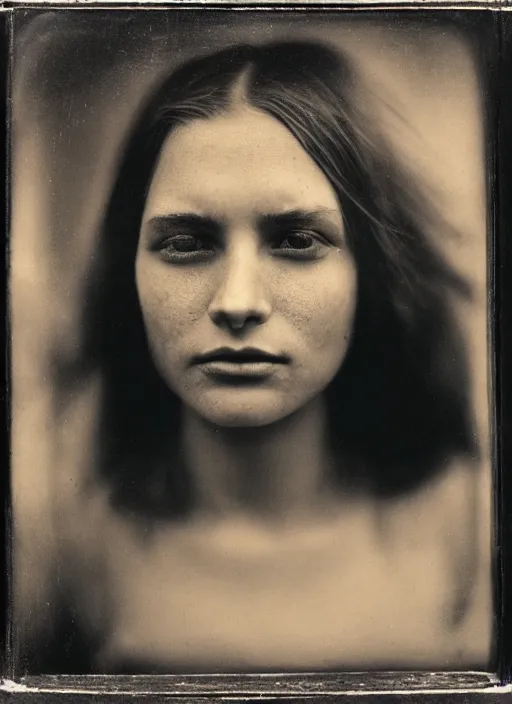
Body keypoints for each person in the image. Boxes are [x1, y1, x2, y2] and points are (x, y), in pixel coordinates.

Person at [20, 39, 490, 674]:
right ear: (128, 268)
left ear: (370, 272)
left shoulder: (468, 533)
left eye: (297, 240)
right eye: (187, 243)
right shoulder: (63, 549)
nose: (237, 302)